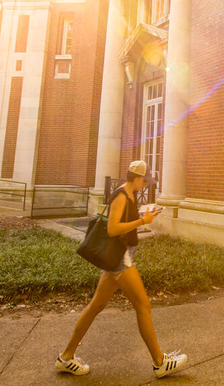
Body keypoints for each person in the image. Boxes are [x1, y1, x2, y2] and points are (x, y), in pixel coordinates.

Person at [56, 160, 187, 378]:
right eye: (145, 181)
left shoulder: (130, 195)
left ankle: (66, 357)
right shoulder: (121, 196)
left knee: (97, 305)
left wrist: (147, 215)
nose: (146, 185)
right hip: (119, 258)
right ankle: (159, 362)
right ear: (137, 178)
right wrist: (142, 221)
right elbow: (113, 228)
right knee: (143, 305)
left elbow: (126, 220)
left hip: (119, 257)